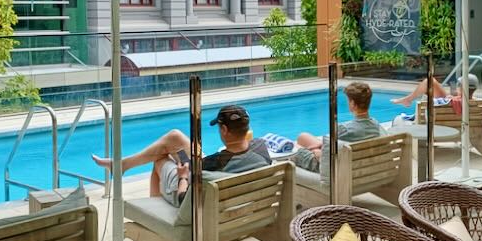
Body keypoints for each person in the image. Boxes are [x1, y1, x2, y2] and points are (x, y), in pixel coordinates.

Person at [92, 104, 269, 207]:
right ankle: (123, 165)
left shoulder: (215, 163)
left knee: (161, 158)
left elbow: (184, 197)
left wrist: (183, 178)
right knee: (175, 137)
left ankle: (154, 211)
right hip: (229, 189)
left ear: (224, 130)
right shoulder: (261, 148)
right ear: (247, 129)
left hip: (197, 189)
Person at [292, 82, 386, 174]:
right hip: (358, 165)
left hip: (333, 169)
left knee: (295, 149)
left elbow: (325, 157)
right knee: (303, 136)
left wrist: (317, 152)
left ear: (352, 103)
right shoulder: (375, 125)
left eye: (348, 100)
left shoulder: (344, 129)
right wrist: (320, 146)